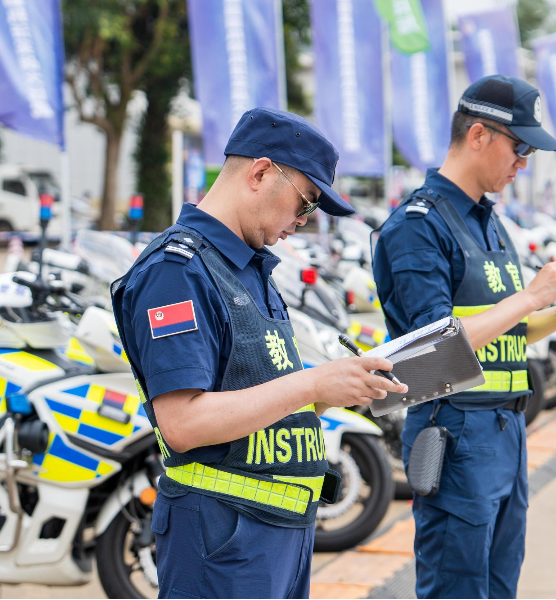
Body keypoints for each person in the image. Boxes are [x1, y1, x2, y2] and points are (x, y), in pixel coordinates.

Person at [111, 108, 407, 599]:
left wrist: (339, 388)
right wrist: (313, 383)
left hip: (275, 536)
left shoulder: (249, 268)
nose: (302, 221)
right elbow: (182, 423)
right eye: (305, 203)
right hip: (224, 541)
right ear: (261, 172)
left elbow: (262, 401)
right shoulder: (178, 271)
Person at [373, 75, 556, 598]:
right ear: (478, 136)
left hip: (506, 430)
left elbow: (508, 332)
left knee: (497, 586)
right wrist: (530, 297)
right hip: (456, 430)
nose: (523, 164)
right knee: (458, 587)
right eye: (519, 149)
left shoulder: (488, 222)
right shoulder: (418, 227)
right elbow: (433, 345)